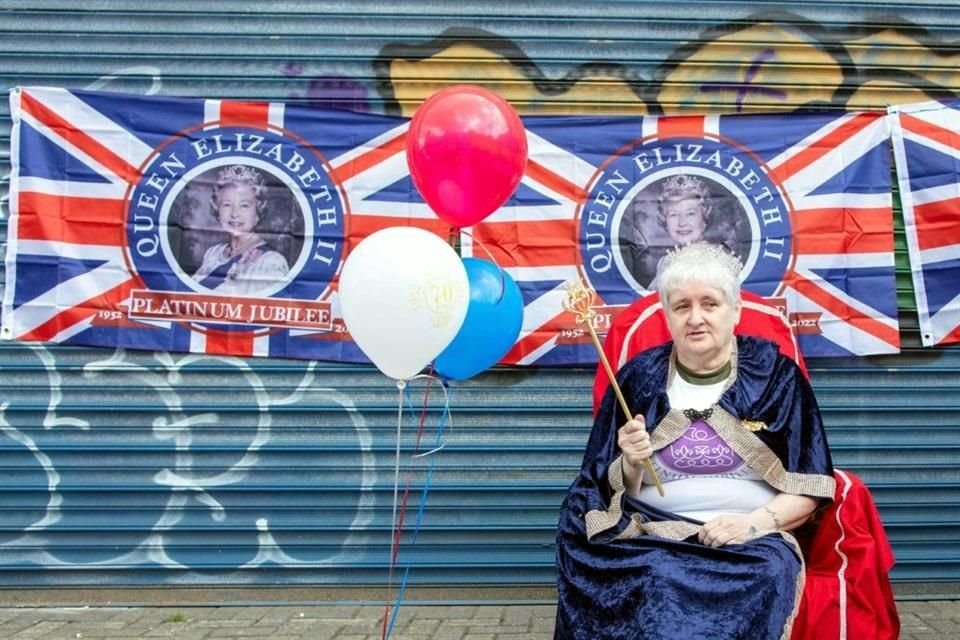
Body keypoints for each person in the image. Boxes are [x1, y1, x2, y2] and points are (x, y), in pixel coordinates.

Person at [554, 243, 835, 639]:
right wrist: (631, 461)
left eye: (710, 304)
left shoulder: (777, 377)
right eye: (682, 306)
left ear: (735, 310)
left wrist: (751, 525)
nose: (696, 318)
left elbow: (810, 484)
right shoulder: (637, 378)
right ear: (667, 316)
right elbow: (602, 486)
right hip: (650, 535)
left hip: (747, 542)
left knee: (765, 573)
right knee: (653, 577)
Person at [192, 165, 289, 296]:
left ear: (258, 211)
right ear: (217, 209)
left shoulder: (270, 262)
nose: (234, 214)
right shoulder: (213, 253)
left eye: (244, 205)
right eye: (227, 204)